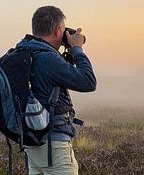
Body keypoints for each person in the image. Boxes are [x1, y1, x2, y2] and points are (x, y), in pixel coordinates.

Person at [16, 5, 97, 175]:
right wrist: (77, 49)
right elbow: (88, 82)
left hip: (32, 143)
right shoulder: (47, 58)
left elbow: (58, 78)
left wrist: (67, 53)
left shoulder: (25, 52)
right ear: (57, 30)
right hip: (54, 147)